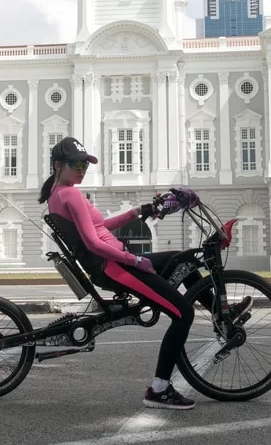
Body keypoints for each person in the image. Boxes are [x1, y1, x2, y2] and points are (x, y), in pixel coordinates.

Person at [38, 136, 251, 410]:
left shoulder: (60, 194)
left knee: (179, 259)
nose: (81, 169)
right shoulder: (70, 194)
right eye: (76, 164)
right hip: (115, 267)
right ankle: (159, 389)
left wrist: (140, 211)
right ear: (57, 165)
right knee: (182, 314)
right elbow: (93, 243)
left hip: (113, 263)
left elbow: (101, 226)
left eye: (85, 164)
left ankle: (221, 313)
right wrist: (134, 260)